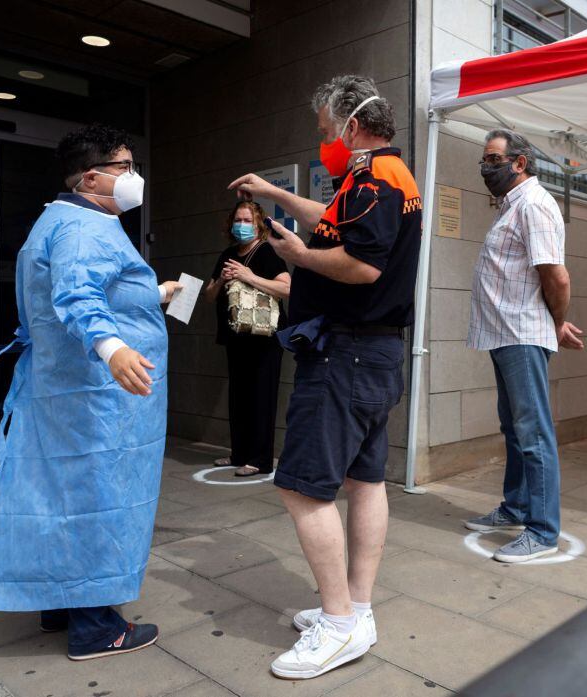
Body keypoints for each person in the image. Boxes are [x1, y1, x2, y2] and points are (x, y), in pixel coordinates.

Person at [0, 124, 182, 661]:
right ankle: (95, 626)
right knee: (99, 500)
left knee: (61, 497)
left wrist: (152, 294)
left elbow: (92, 288)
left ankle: (59, 603)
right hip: (96, 398)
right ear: (92, 177)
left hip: (66, 391)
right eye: (125, 166)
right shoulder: (86, 227)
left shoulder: (59, 219)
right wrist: (113, 349)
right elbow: (78, 292)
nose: (134, 177)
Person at [228, 75, 421, 680]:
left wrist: (300, 258)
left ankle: (338, 625)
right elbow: (334, 220)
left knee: (303, 487)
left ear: (351, 126)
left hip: (347, 354)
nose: (323, 143)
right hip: (373, 353)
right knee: (365, 479)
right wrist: (276, 197)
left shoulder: (372, 180)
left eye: (324, 131)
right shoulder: (389, 177)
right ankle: (355, 611)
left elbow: (361, 266)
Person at [463, 129, 584, 564]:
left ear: (519, 163)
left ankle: (543, 530)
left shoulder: (533, 205)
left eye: (494, 159)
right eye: (484, 159)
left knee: (533, 434)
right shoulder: (512, 206)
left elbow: (557, 276)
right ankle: (515, 508)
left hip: (522, 334)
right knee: (514, 429)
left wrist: (555, 322)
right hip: (505, 334)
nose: (485, 166)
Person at [202, 201, 290, 476]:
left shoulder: (267, 252)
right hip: (236, 335)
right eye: (238, 220)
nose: (241, 225)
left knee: (261, 396)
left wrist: (249, 276)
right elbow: (209, 294)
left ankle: (260, 459)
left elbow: (286, 288)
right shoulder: (228, 254)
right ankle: (238, 453)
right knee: (238, 396)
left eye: (247, 220)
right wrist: (221, 281)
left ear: (259, 225)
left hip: (265, 338)